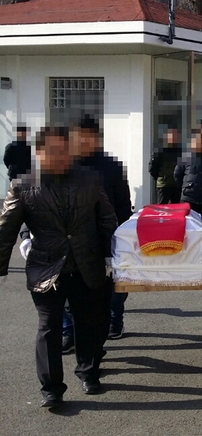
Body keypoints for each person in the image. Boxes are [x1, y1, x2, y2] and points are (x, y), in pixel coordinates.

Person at [0, 126, 117, 407]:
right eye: (52, 150)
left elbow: (106, 219)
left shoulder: (89, 180)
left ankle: (88, 372)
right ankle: (51, 387)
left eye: (64, 150)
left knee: (89, 322)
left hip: (85, 263)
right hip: (46, 266)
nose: (60, 156)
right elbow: (5, 229)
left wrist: (111, 256)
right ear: (39, 152)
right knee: (49, 326)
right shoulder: (23, 185)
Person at [68, 116, 133, 342]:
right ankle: (69, 331)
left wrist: (124, 233)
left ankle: (115, 319)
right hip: (74, 237)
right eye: (78, 137)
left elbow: (123, 202)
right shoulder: (64, 164)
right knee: (71, 287)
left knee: (115, 284)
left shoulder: (111, 166)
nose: (83, 142)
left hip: (108, 235)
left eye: (88, 137)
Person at [174, 126, 202, 215]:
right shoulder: (186, 156)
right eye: (199, 138)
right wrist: (185, 187)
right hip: (188, 198)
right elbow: (177, 174)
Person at [149, 127, 182, 204]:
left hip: (176, 185)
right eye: (172, 135)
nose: (174, 137)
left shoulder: (180, 150)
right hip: (163, 185)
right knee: (161, 209)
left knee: (177, 210)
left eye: (176, 135)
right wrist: (161, 178)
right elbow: (152, 168)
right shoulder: (159, 150)